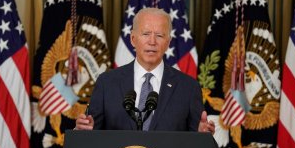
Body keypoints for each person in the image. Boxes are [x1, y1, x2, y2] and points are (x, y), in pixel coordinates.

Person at [75, 7, 214, 133]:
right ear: (133, 39)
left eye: (159, 35)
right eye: (146, 34)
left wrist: (203, 137)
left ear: (168, 42)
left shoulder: (188, 88)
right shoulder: (107, 83)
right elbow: (89, 140)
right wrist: (83, 131)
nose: (152, 41)